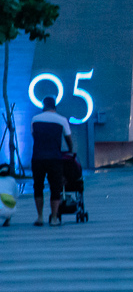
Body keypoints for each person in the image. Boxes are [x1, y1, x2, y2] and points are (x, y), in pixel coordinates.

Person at [31, 96, 74, 226]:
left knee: (38, 186)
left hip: (38, 157)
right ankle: (54, 218)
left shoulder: (35, 119)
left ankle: (39, 217)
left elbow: (34, 136)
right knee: (55, 187)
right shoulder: (62, 120)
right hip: (55, 158)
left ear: (43, 106)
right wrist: (71, 150)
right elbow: (68, 139)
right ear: (55, 106)